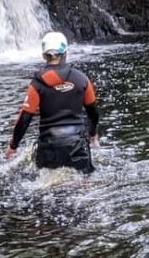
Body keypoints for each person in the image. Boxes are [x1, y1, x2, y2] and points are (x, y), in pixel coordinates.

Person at [5, 32, 100, 173]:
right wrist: (93, 134)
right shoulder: (82, 80)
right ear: (65, 53)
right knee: (84, 185)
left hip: (49, 148)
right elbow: (93, 113)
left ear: (44, 55)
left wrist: (13, 146)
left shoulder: (37, 84)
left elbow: (25, 118)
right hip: (77, 146)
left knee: (49, 190)